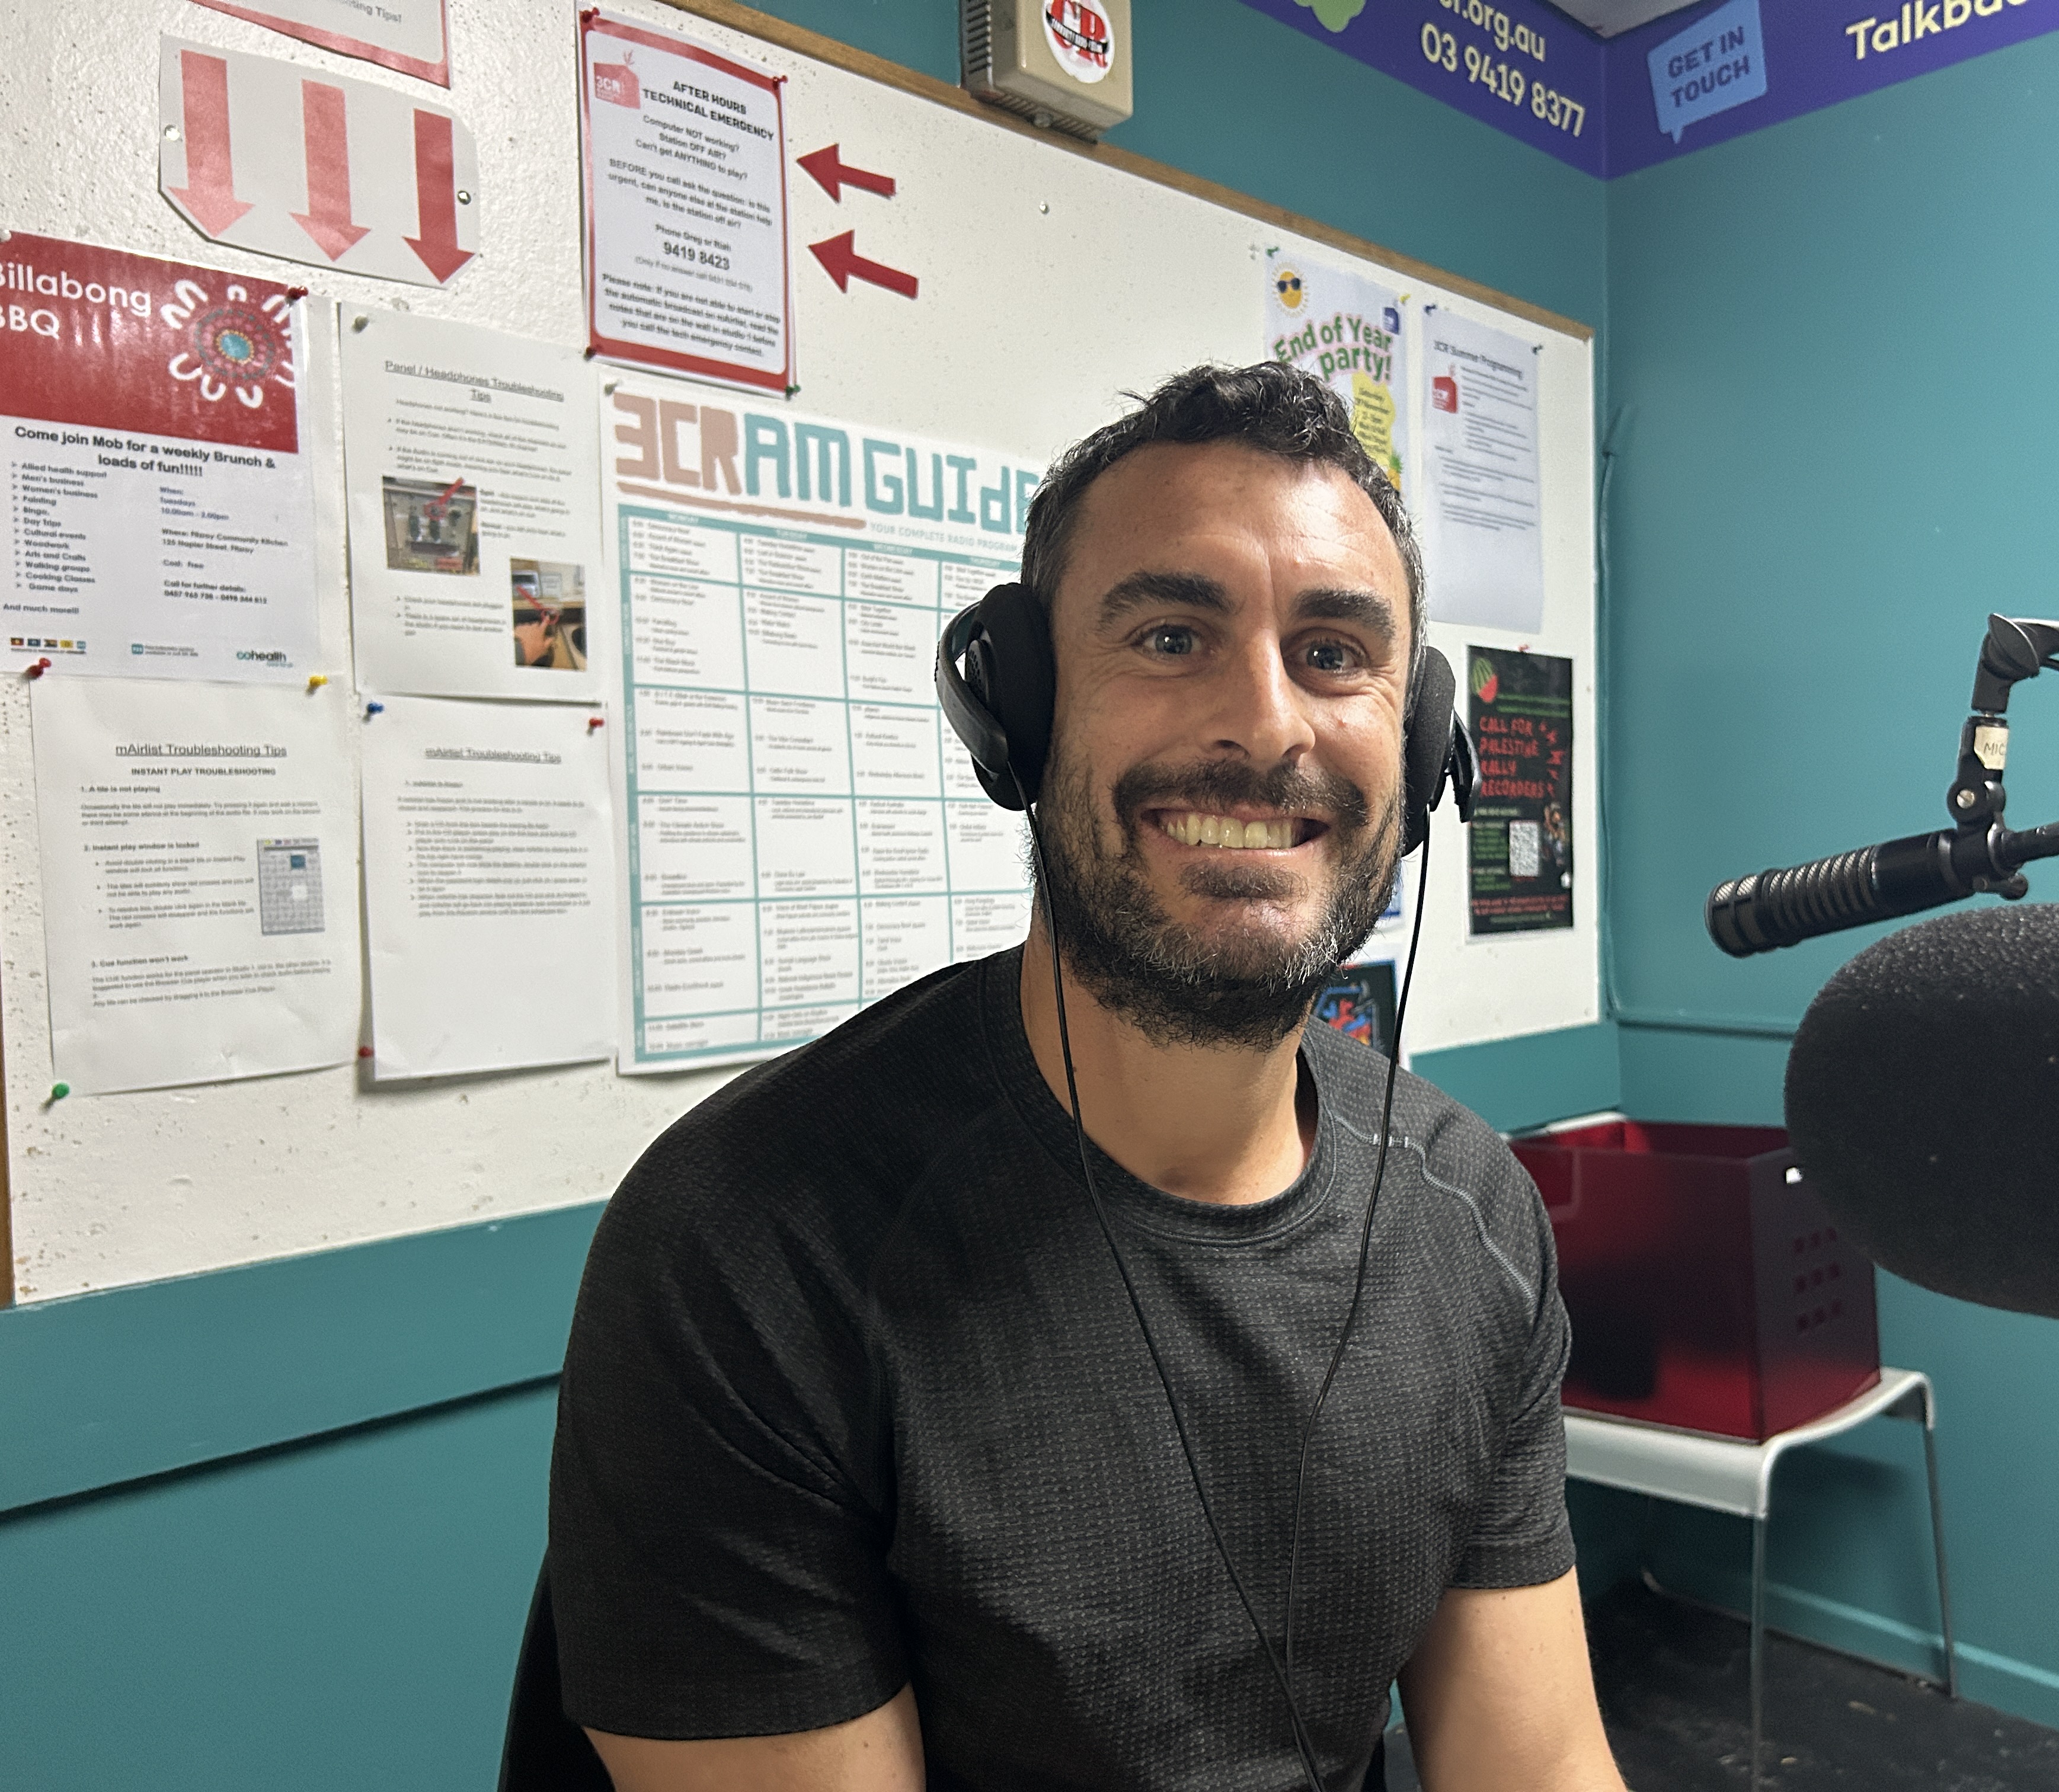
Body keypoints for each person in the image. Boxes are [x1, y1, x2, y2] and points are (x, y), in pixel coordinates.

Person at [544, 364, 1629, 1792]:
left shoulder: (1472, 1215)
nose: (1266, 725)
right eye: (1173, 635)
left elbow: (1537, 1768)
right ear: (1021, 710)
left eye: (1333, 653)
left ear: (1423, 745)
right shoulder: (749, 1245)